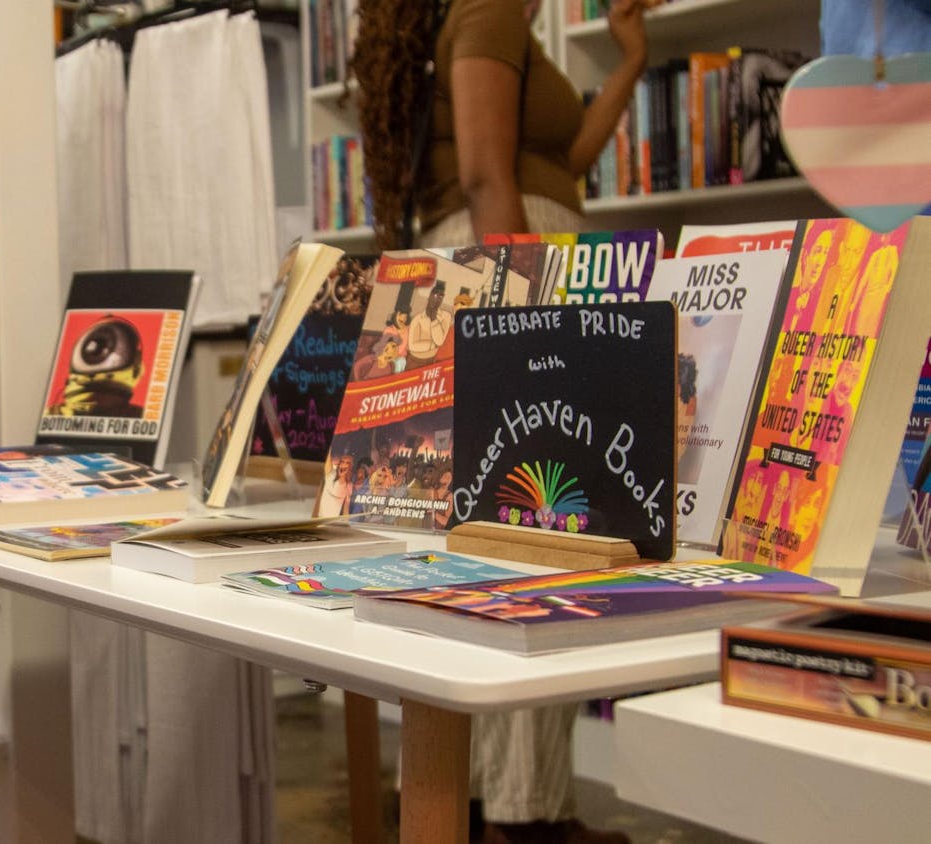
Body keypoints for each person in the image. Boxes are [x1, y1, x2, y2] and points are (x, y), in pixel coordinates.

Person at [353, 2, 650, 843]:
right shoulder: (485, 6)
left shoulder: (470, 16)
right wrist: (530, 321)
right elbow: (489, 174)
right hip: (510, 269)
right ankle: (529, 817)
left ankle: (496, 804)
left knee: (494, 549)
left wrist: (630, 60)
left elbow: (562, 160)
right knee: (542, 543)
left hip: (477, 269)